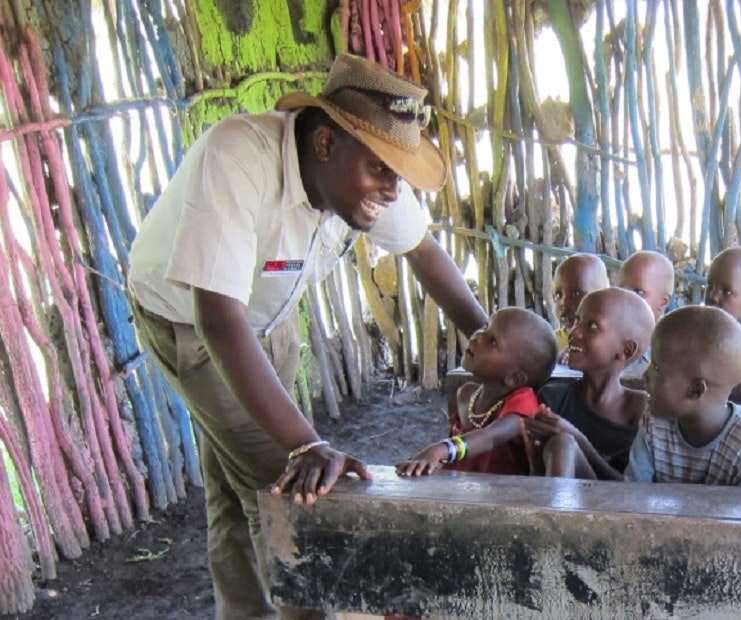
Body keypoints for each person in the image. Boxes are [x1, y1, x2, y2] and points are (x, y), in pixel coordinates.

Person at [126, 53, 487, 620]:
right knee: (290, 485)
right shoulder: (237, 157)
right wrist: (305, 443)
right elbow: (218, 321)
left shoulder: (363, 171)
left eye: (399, 172)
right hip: (191, 322)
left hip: (269, 317)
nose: (392, 190)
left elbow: (425, 253)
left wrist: (494, 343)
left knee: (237, 480)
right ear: (325, 144)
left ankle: (242, 611)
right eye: (383, 170)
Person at [396, 307, 558, 477]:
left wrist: (438, 450)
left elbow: (490, 437)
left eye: (493, 341)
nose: (478, 336)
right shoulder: (466, 395)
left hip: (502, 498)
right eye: (485, 327)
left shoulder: (523, 404)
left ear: (514, 379)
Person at [623, 306, 741, 487]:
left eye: (656, 368)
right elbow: (633, 494)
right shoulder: (654, 422)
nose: (645, 376)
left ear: (695, 390)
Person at [524, 288, 655, 480]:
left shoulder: (640, 410)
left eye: (592, 326)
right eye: (577, 321)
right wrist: (534, 456)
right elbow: (535, 477)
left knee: (564, 443)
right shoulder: (553, 398)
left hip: (613, 508)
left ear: (626, 350)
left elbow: (631, 492)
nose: (574, 331)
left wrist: (577, 439)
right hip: (551, 499)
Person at [551, 253, 609, 360]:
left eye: (576, 294)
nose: (563, 302)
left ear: (604, 294)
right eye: (558, 295)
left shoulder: (614, 343)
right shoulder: (550, 343)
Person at [616, 250, 675, 322]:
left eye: (638, 293)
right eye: (621, 290)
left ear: (663, 302)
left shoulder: (667, 333)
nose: (625, 299)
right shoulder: (612, 328)